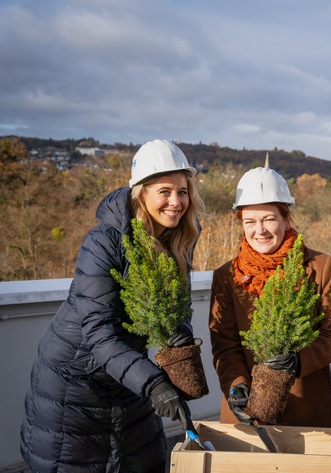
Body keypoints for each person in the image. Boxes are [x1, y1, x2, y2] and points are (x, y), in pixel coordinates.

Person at [20, 140, 204, 472]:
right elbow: (99, 335)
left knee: (145, 458)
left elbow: (177, 310)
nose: (176, 202)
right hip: (75, 384)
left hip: (127, 375)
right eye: (165, 191)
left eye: (183, 191)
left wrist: (180, 342)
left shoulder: (178, 241)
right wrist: (154, 383)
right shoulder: (104, 241)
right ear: (141, 194)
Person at [209, 161, 331, 428]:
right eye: (250, 221)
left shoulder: (321, 267)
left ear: (286, 218)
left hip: (307, 412)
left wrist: (299, 360)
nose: (259, 230)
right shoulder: (226, 276)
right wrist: (236, 386)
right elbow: (225, 346)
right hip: (247, 415)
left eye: (268, 219)